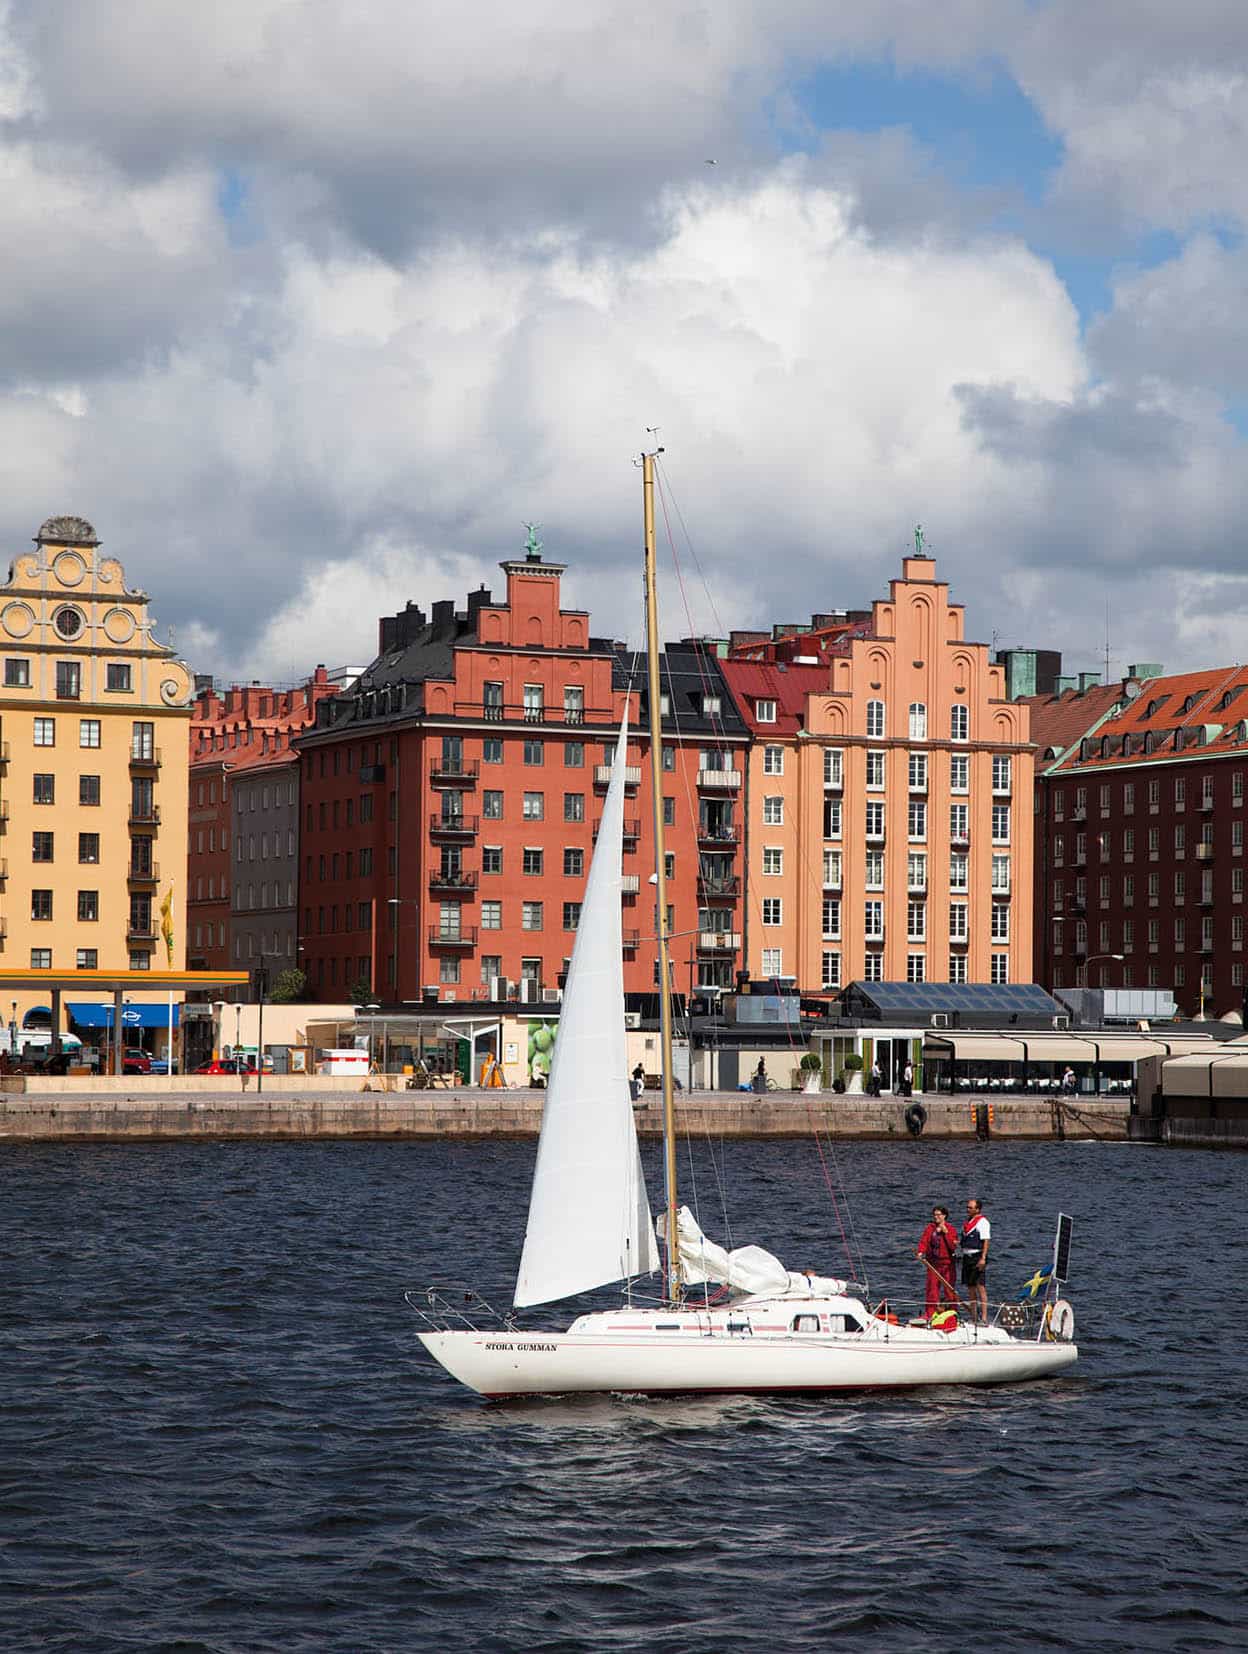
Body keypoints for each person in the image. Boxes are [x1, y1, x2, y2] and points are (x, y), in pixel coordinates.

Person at [916, 1205, 958, 1315]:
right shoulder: (930, 1228)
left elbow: (953, 1246)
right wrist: (920, 1251)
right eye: (934, 1215)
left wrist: (946, 1233)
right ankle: (930, 1313)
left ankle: (952, 1313)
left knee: (949, 1290)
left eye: (938, 1215)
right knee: (932, 1290)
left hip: (947, 1264)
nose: (936, 1217)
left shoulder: (951, 1229)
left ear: (944, 1216)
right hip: (933, 1263)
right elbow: (924, 1241)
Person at [961, 1197, 991, 1323]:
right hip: (967, 1257)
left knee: (980, 1287)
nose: (968, 1209)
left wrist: (983, 1258)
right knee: (970, 1287)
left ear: (977, 1209)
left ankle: (984, 1317)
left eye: (971, 1207)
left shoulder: (982, 1222)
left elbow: (986, 1241)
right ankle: (973, 1316)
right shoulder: (967, 1222)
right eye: (967, 1207)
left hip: (977, 1257)